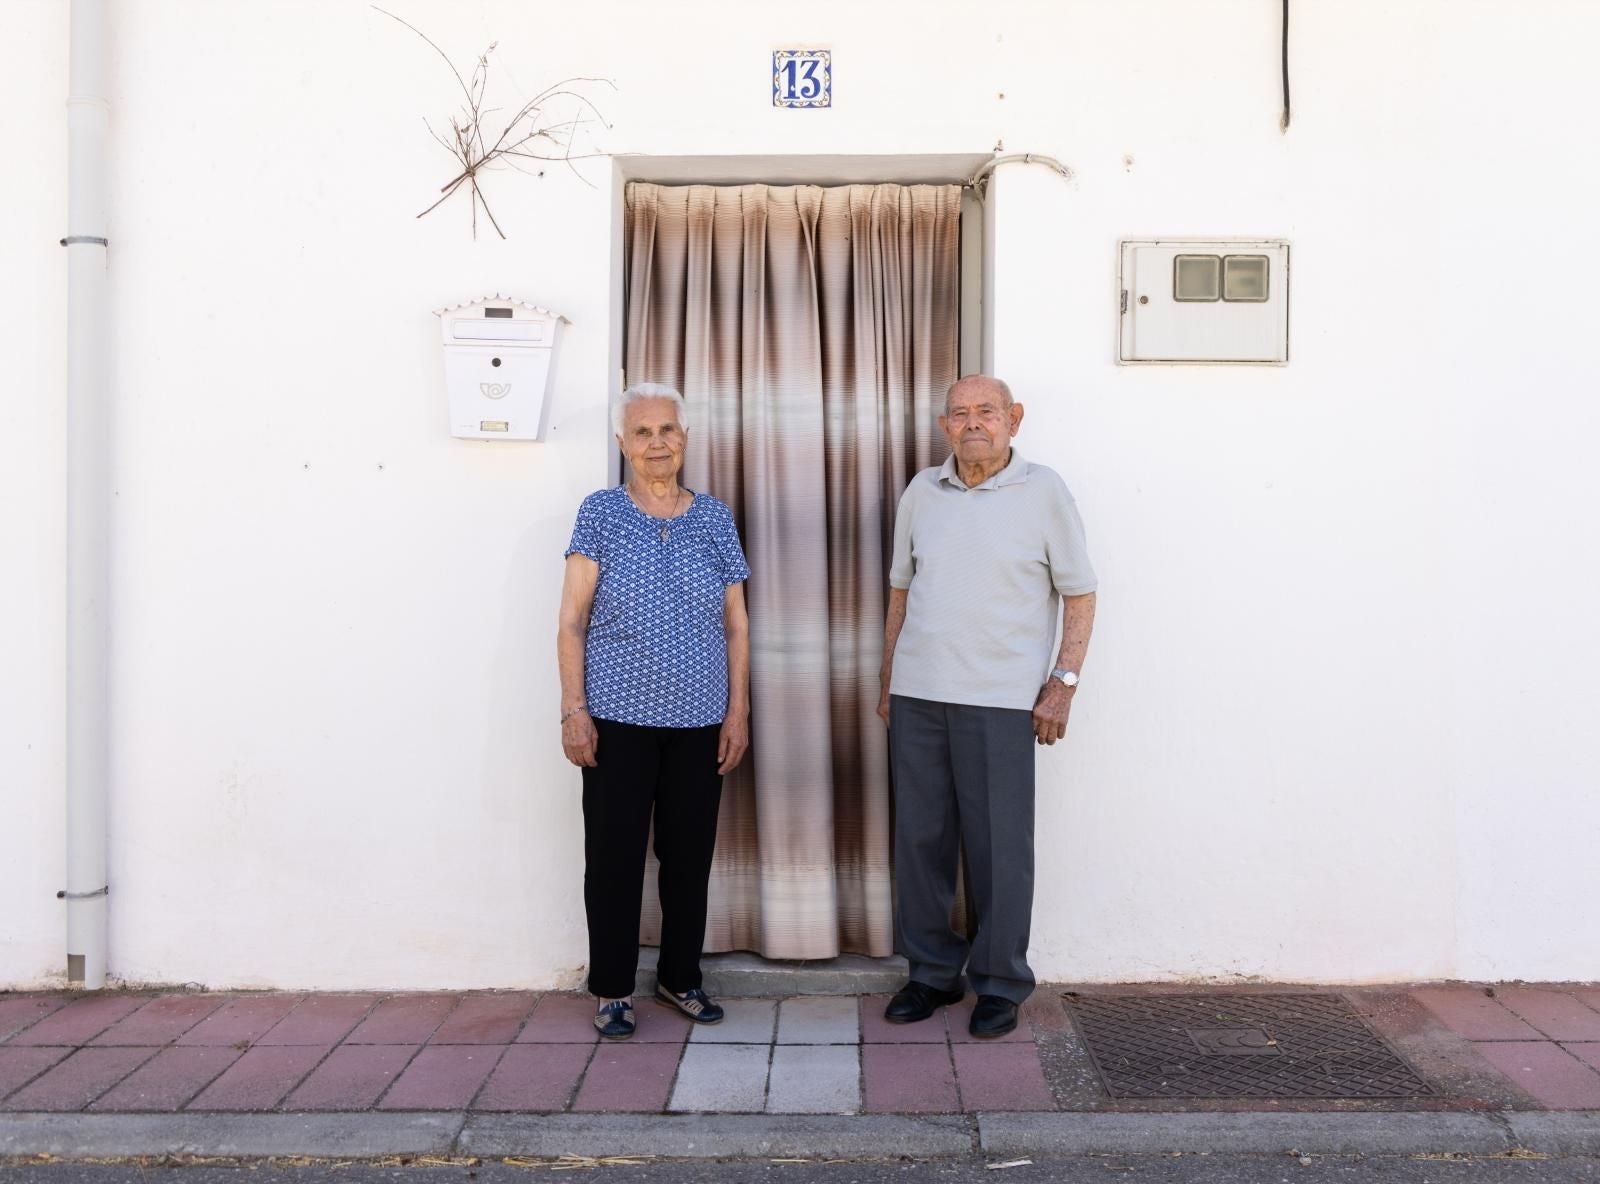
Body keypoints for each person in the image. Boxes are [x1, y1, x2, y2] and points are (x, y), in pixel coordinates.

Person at [877, 374, 1098, 1038]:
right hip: (919, 694)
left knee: (1000, 847)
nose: (974, 423)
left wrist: (1064, 682)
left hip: (1002, 700)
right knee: (920, 842)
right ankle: (930, 974)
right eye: (961, 414)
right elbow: (900, 590)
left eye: (987, 412)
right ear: (945, 426)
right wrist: (889, 676)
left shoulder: (1044, 492)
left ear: (1014, 419)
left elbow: (1081, 593)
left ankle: (1000, 983)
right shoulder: (923, 491)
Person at [557, 382, 751, 1040]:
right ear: (621, 444)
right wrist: (573, 709)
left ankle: (679, 976)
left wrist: (738, 712)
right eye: (642, 433)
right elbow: (571, 621)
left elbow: (736, 627)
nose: (657, 442)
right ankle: (613, 987)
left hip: (699, 720)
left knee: (689, 856)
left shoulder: (714, 518)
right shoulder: (602, 513)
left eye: (667, 430)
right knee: (613, 856)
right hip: (616, 718)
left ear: (686, 438)